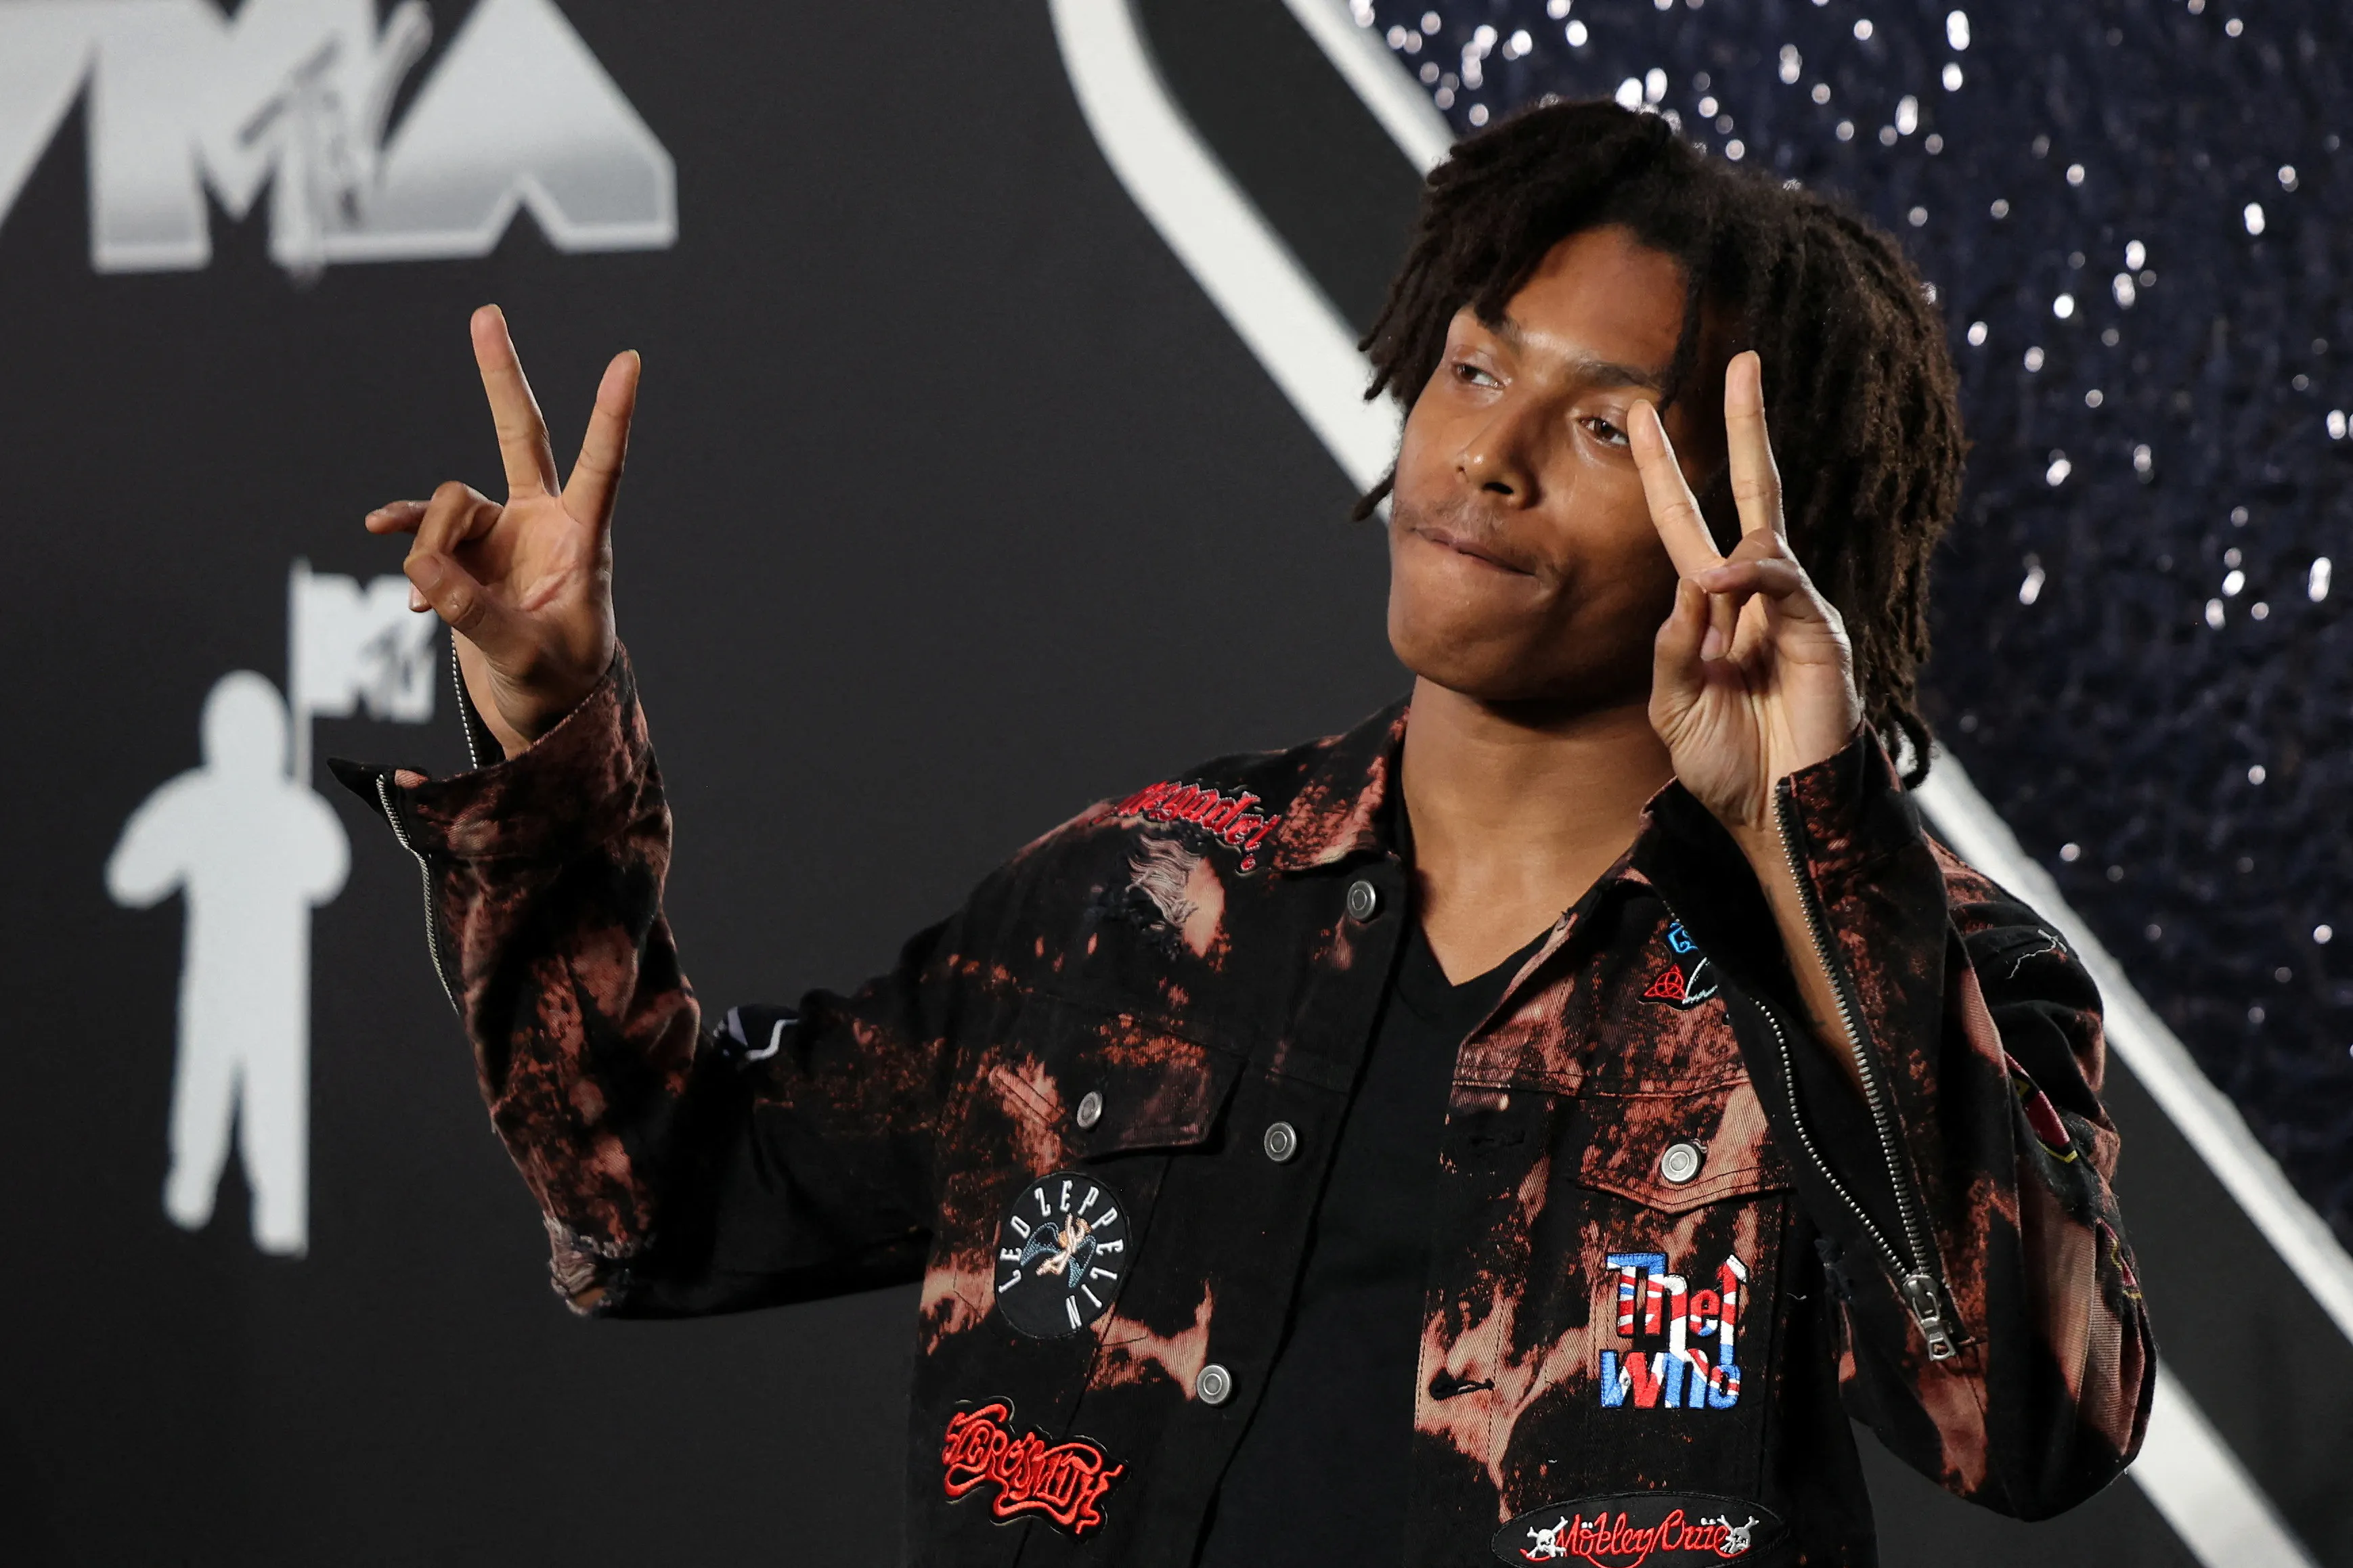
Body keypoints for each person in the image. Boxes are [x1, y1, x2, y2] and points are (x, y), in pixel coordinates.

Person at [345, 100, 2151, 1567]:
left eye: (1606, 426)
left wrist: (1807, 843)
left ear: (1773, 520)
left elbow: (2029, 1421)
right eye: (1470, 368)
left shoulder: (1926, 967)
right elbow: (648, 1198)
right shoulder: (1136, 902)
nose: (1487, 455)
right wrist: (543, 725)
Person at [110, 670, 351, 1257]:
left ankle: (277, 1213)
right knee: (204, 1093)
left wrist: (300, 819)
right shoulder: (197, 805)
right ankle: (192, 1193)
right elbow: (129, 878)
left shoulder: (293, 813)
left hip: (276, 996)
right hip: (216, 989)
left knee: (273, 1104)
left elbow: (328, 872)